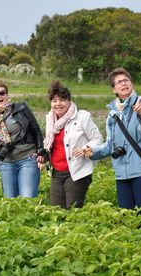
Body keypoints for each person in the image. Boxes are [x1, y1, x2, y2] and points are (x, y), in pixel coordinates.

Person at [89, 68, 141, 212]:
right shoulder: (112, 114)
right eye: (119, 82)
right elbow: (110, 145)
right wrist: (92, 152)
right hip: (121, 174)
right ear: (114, 90)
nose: (123, 84)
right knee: (126, 217)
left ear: (132, 83)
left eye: (126, 80)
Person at [0, 79, 48, 198]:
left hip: (27, 159)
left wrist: (41, 151)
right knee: (10, 202)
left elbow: (36, 130)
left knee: (27, 198)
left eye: (2, 93)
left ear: (7, 94)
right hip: (6, 163)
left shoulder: (21, 108)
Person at [43, 81, 103, 209]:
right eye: (54, 100)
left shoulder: (82, 117)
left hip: (77, 171)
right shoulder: (50, 120)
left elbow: (98, 139)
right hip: (57, 173)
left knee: (73, 211)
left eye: (62, 100)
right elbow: (51, 146)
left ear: (69, 101)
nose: (58, 104)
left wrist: (85, 148)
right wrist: (43, 157)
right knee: (56, 211)